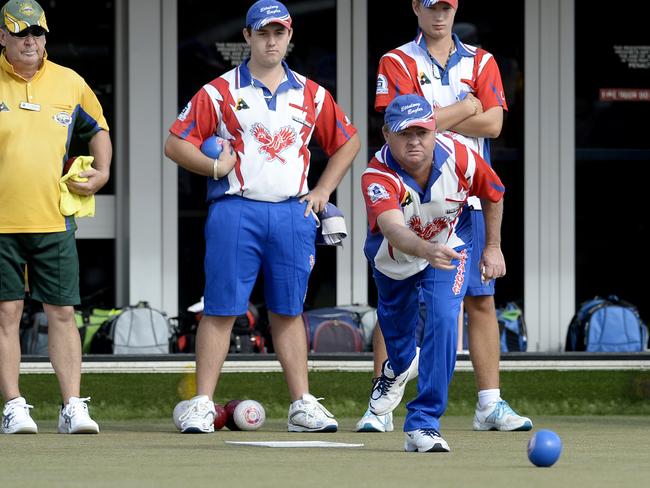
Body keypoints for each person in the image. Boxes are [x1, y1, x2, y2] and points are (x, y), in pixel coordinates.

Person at [165, 0, 360, 433]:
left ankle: (302, 405)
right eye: (263, 33)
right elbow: (176, 144)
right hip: (236, 209)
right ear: (247, 37)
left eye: (279, 33)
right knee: (221, 308)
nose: (271, 41)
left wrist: (324, 191)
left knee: (289, 311)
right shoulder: (218, 91)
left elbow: (348, 141)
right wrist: (215, 167)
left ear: (290, 37)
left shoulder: (312, 93)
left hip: (293, 211)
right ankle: (201, 403)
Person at [356, 0, 532, 433]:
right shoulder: (396, 59)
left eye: (446, 7)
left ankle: (489, 404)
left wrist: (446, 117)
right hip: (409, 195)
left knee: (481, 300)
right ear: (416, 7)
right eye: (431, 6)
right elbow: (406, 124)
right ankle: (382, 408)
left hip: (466, 195)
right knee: (394, 302)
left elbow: (492, 126)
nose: (439, 15)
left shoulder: (483, 59)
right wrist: (465, 107)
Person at [363, 93, 506, 452]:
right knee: (400, 346)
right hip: (394, 260)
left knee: (444, 320)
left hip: (448, 248)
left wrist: (492, 247)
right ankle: (395, 369)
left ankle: (423, 423)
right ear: (386, 134)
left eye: (423, 132)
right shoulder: (376, 174)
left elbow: (493, 193)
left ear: (434, 130)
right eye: (405, 133)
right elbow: (393, 229)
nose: (415, 141)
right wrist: (425, 248)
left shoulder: (461, 157)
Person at [0, 0, 111, 434]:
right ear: (3, 37)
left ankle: (71, 407)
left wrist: (101, 173)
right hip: (2, 225)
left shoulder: (69, 81)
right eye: (21, 33)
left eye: (38, 33)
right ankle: (13, 404)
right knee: (6, 313)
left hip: (53, 221)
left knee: (62, 312)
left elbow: (98, 129)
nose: (31, 41)